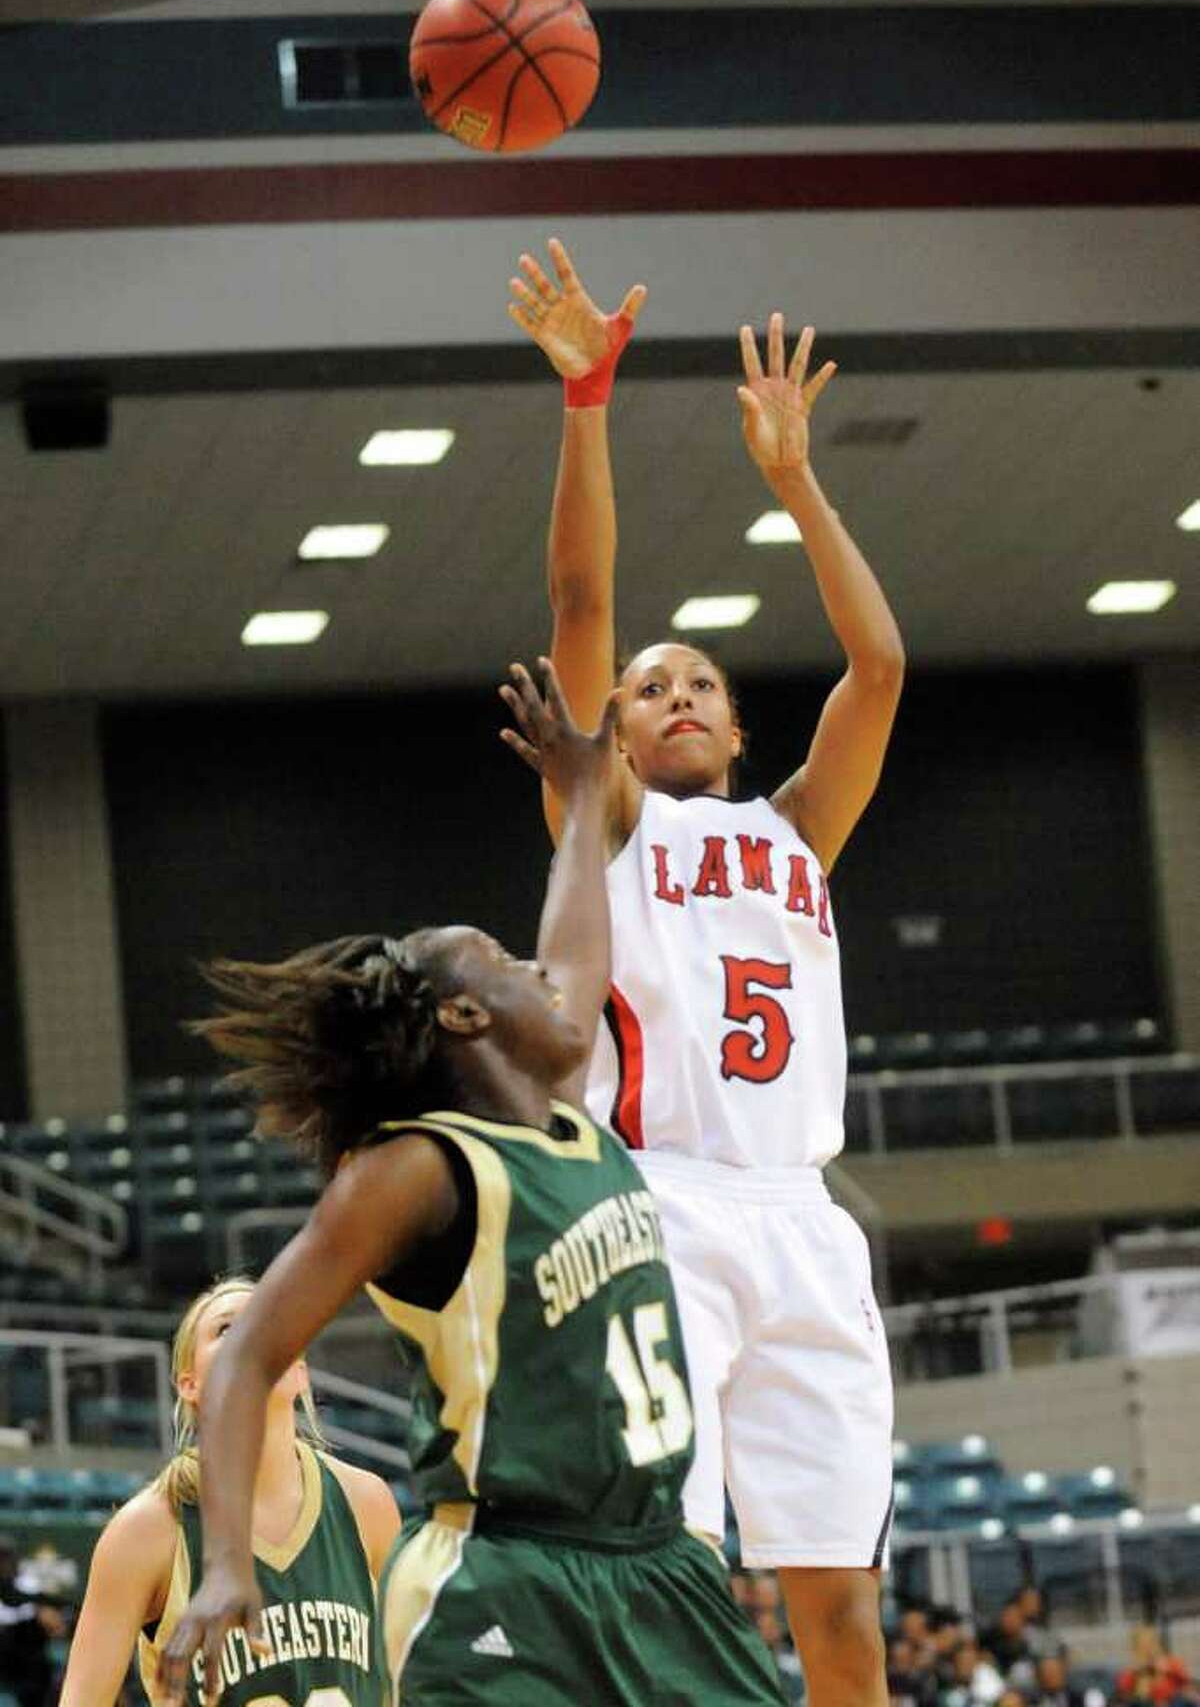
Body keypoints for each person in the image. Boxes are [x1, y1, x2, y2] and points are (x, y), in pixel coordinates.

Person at [156, 661, 785, 1706]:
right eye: (504, 960)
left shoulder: (569, 1112)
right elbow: (248, 1354)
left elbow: (578, 952)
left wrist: (584, 796)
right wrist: (226, 1560)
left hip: (662, 1563)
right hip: (502, 1575)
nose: (540, 972)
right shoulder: (415, 1169)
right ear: (463, 1017)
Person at [507, 237, 905, 1705]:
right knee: (669, 1579)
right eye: (650, 685)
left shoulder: (795, 827)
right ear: (616, 728)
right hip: (661, 1201)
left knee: (844, 1609)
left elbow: (879, 669)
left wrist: (795, 479)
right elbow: (577, 604)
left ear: (737, 733)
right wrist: (588, 401)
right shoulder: (611, 818)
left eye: (704, 685)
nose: (673, 693)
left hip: (802, 1215)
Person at [57, 1274, 398, 1706]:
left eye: (268, 1320)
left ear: (299, 1373)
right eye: (227, 1328)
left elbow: (417, 1678)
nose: (253, 1334)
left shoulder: (366, 1502)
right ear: (189, 1384)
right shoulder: (147, 1531)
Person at [0, 1535, 64, 1707]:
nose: (4, 1564)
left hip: (29, 1661)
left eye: (6, 1558)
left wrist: (40, 1613)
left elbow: (57, 1627)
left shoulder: (27, 1584)